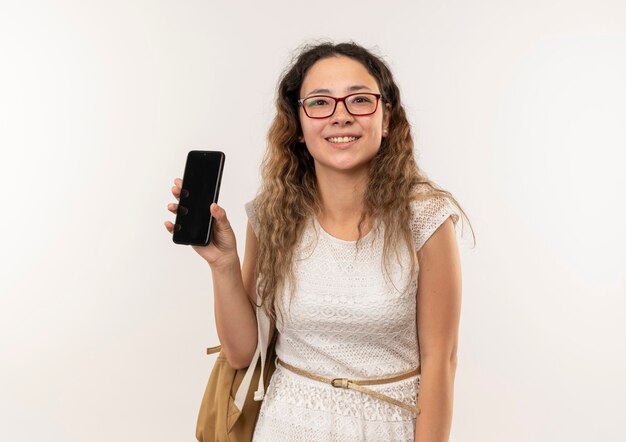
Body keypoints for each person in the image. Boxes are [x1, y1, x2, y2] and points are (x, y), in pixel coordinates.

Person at [165, 41, 471, 442]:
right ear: (298, 124)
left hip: (387, 428)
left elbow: (441, 361)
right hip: (285, 425)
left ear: (386, 119)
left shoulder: (426, 218)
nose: (340, 116)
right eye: (320, 103)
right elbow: (243, 353)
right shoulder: (272, 214)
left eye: (359, 100)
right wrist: (222, 263)